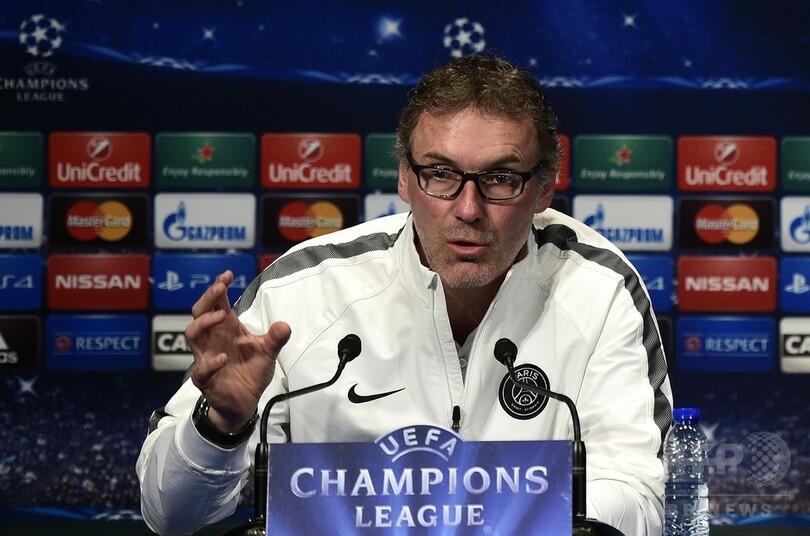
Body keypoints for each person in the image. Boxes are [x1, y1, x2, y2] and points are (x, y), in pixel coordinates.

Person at [137, 53, 673, 535]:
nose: (468, 209)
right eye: (440, 174)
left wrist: (475, 520)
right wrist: (221, 425)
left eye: (501, 178)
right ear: (404, 179)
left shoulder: (600, 289)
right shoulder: (302, 291)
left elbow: (635, 499)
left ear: (544, 188)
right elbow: (168, 514)